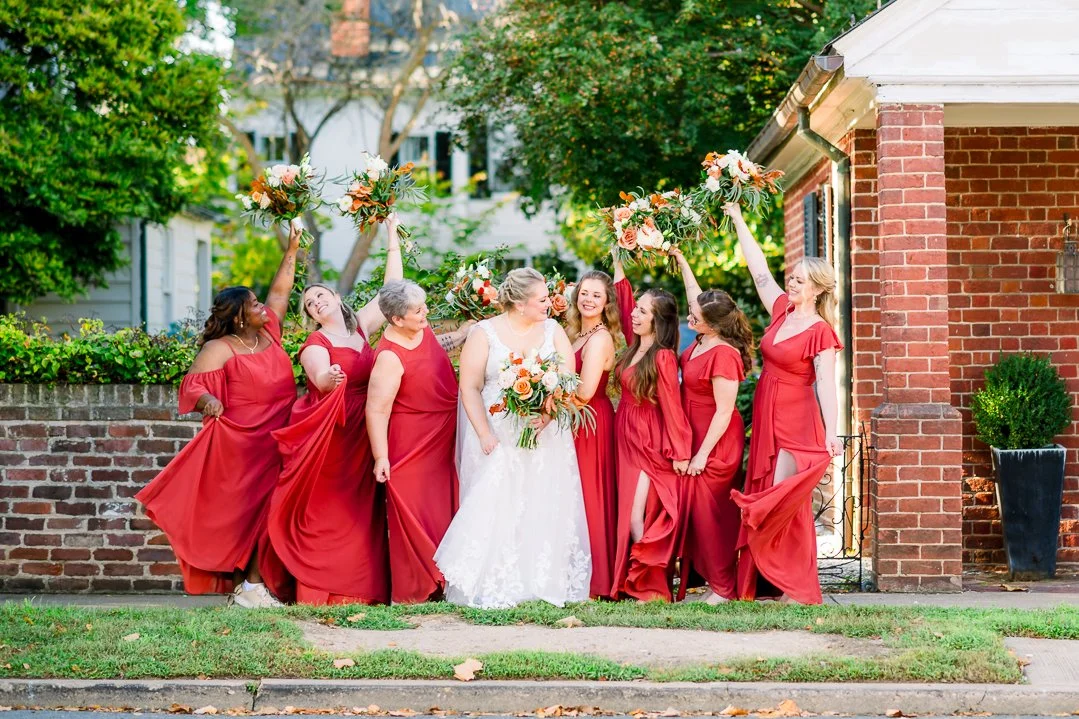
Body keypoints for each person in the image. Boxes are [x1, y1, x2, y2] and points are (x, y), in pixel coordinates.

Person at [136, 226, 302, 608]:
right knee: (251, 515)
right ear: (240, 317)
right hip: (243, 443)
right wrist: (209, 400)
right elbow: (192, 388)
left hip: (281, 437)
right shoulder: (221, 348)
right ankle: (250, 589)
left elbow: (281, 292)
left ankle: (253, 588)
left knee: (274, 509)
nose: (264, 307)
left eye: (260, 303)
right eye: (255, 305)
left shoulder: (270, 335)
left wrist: (291, 249)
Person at [261, 216, 405, 605]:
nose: (317, 301)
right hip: (335, 435)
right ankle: (322, 589)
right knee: (335, 508)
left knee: (363, 511)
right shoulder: (315, 342)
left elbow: (393, 291)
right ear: (310, 315)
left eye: (321, 294)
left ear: (337, 298)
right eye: (310, 303)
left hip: (368, 428)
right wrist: (331, 377)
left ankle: (363, 590)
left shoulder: (360, 328)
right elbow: (320, 376)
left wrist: (392, 234)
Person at [434, 268, 592, 608]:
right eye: (541, 299)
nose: (549, 303)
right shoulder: (484, 333)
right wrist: (484, 434)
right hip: (496, 432)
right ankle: (494, 580)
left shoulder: (553, 330)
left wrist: (549, 414)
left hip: (543, 432)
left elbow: (567, 381)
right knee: (497, 502)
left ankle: (538, 580)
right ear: (520, 304)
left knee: (541, 499)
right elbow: (470, 387)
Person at [725, 202, 842, 605]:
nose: (791, 284)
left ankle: (796, 586)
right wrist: (739, 218)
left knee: (784, 499)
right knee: (766, 488)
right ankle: (762, 582)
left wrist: (832, 433)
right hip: (767, 413)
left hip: (797, 420)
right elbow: (759, 272)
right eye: (791, 277)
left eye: (800, 281)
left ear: (819, 290)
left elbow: (826, 384)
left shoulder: (820, 331)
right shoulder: (780, 312)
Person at [365, 280, 472, 603]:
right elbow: (376, 410)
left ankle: (444, 582)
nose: (426, 311)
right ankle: (416, 591)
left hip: (443, 438)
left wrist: (465, 333)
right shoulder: (389, 358)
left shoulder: (420, 331)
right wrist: (381, 457)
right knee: (415, 516)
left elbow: (436, 345)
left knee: (442, 510)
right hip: (411, 445)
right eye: (418, 310)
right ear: (397, 320)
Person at [670, 248, 754, 604]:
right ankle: (702, 580)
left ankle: (723, 587)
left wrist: (702, 455)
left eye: (696, 317)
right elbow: (696, 296)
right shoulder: (704, 336)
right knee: (694, 512)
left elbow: (724, 411)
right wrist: (682, 259)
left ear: (715, 324)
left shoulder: (724, 354)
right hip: (692, 433)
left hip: (716, 441)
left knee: (710, 516)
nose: (690, 318)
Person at [610, 269, 693, 602]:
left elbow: (673, 407)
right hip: (624, 433)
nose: (635, 313)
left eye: (643, 311)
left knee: (636, 511)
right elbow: (624, 300)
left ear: (658, 321)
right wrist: (619, 257)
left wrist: (682, 453)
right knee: (626, 508)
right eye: (638, 308)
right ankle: (639, 582)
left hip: (647, 438)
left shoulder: (662, 356)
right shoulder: (635, 346)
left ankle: (651, 585)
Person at [563, 264, 624, 599]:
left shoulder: (599, 339)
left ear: (607, 303)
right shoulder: (576, 333)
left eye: (596, 295)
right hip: (573, 420)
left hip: (590, 420)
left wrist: (546, 408)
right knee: (573, 495)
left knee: (589, 495)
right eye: (584, 293)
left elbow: (584, 392)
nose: (588, 299)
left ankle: (596, 579)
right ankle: (574, 571)